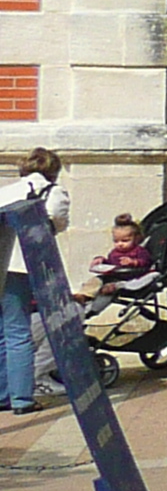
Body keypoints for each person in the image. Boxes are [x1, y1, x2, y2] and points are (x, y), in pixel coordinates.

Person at [2, 150, 75, 413]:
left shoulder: (7, 191)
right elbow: (59, 222)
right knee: (18, 331)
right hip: (25, 264)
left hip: (2, 260)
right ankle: (22, 398)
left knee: (3, 330)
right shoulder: (54, 193)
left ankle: (3, 394)